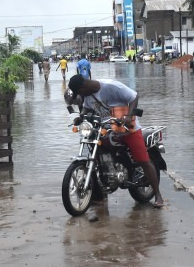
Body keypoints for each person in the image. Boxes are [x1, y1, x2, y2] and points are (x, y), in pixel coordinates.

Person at [67, 74, 165, 208]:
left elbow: (134, 97)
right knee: (96, 158)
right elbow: (87, 107)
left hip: (127, 128)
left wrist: (129, 117)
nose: (81, 95)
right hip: (106, 129)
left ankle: (158, 195)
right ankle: (99, 196)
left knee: (143, 160)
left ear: (84, 86)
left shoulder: (111, 86)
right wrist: (81, 116)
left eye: (80, 92)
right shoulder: (87, 95)